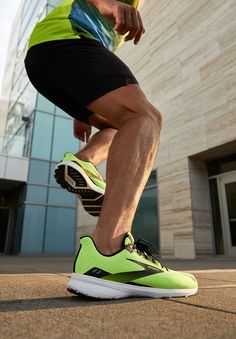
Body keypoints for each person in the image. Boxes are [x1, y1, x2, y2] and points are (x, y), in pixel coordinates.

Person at [25, 0, 198, 299]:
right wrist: (111, 6)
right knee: (145, 117)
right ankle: (109, 252)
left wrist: (82, 108)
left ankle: (84, 162)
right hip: (67, 37)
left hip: (51, 53)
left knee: (120, 126)